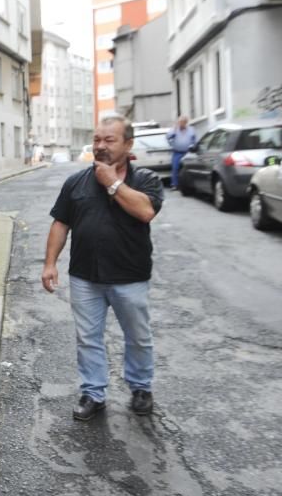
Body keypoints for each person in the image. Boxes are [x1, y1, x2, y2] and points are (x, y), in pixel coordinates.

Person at [41, 114, 163, 421]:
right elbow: (61, 223)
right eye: (97, 140)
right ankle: (93, 393)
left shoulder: (146, 180)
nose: (101, 146)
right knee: (88, 337)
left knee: (138, 335)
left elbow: (145, 211)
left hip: (129, 276)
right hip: (85, 276)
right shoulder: (76, 182)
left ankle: (140, 387)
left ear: (128, 144)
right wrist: (50, 263)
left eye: (109, 140)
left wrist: (112, 182)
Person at [166, 115, 197, 189]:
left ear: (186, 122)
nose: (181, 123)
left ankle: (191, 184)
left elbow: (194, 139)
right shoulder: (174, 130)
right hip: (177, 152)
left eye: (183, 122)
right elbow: (168, 137)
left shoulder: (191, 129)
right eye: (180, 122)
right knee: (175, 168)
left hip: (188, 152)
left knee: (189, 168)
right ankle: (175, 184)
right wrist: (175, 129)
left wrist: (193, 145)